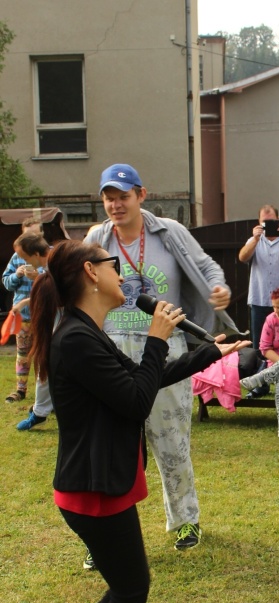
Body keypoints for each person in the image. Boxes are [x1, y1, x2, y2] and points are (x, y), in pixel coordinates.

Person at [29, 240, 247, 603]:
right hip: (94, 490)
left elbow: (140, 379)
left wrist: (208, 353)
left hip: (98, 484)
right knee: (131, 590)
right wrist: (156, 337)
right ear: (91, 273)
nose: (122, 275)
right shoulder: (76, 339)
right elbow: (135, 400)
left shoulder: (85, 332)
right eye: (113, 266)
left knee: (121, 585)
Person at [85, 163, 234, 555]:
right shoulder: (97, 238)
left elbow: (206, 265)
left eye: (123, 196)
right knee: (109, 445)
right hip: (112, 348)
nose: (116, 205)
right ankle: (103, 533)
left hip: (165, 345)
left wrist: (217, 286)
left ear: (141, 195)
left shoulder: (169, 232)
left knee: (171, 438)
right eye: (109, 198)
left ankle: (185, 521)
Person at [238, 205, 279, 354]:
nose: (268, 225)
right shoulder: (254, 241)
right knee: (259, 344)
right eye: (264, 222)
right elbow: (242, 257)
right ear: (259, 222)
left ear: (278, 220)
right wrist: (255, 239)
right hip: (260, 299)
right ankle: (260, 367)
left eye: (271, 221)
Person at [9, 233, 54, 430]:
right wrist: (24, 303)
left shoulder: (57, 264)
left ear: (36, 254)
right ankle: (40, 411)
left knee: (51, 364)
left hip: (61, 324)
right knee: (44, 363)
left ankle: (46, 409)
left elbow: (58, 294)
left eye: (25, 258)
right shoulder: (48, 269)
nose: (24, 262)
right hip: (48, 322)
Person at [2, 221, 44, 403]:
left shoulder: (48, 254)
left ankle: (44, 392)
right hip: (24, 315)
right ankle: (20, 390)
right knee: (22, 354)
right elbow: (6, 283)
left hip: (44, 314)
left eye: (34, 235)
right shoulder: (17, 256)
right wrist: (17, 275)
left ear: (41, 235)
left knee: (44, 354)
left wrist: (39, 277)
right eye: (27, 236)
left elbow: (57, 280)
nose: (30, 240)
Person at [247, 287, 279, 441]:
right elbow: (265, 348)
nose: (276, 310)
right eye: (273, 306)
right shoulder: (271, 320)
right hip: (277, 364)